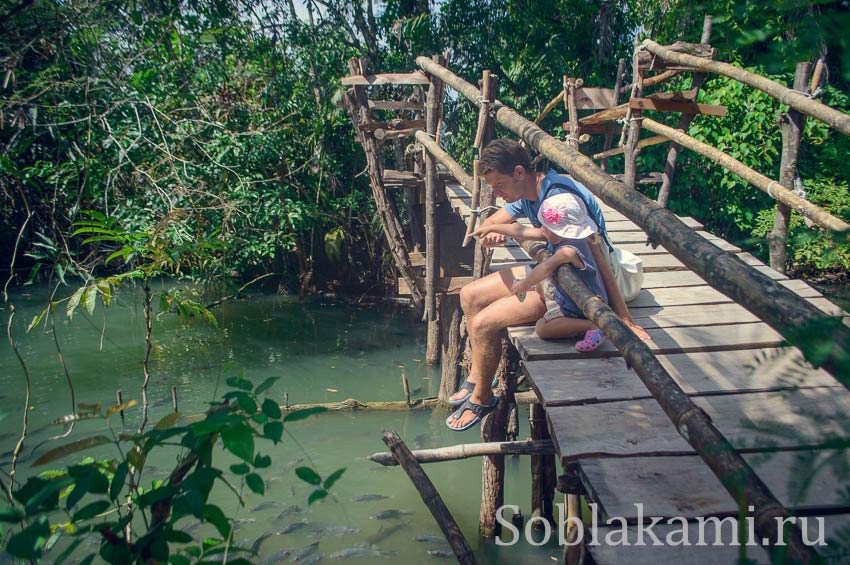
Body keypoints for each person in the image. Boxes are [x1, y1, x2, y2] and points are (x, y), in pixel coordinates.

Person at [446, 139, 648, 431]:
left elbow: (598, 254)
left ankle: (482, 398)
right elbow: (501, 217)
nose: (496, 194)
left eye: (498, 185)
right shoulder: (529, 188)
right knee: (469, 295)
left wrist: (622, 318)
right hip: (555, 266)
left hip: (579, 278)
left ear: (518, 172)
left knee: (482, 325)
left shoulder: (558, 201)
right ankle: (479, 374)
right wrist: (492, 229)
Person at [473, 193, 613, 350]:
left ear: (560, 230)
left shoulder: (568, 251)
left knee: (542, 328)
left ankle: (594, 326)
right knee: (541, 309)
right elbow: (521, 231)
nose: (541, 229)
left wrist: (524, 285)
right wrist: (492, 227)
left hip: (582, 307)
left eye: (546, 226)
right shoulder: (566, 238)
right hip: (572, 299)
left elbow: (545, 268)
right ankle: (587, 326)